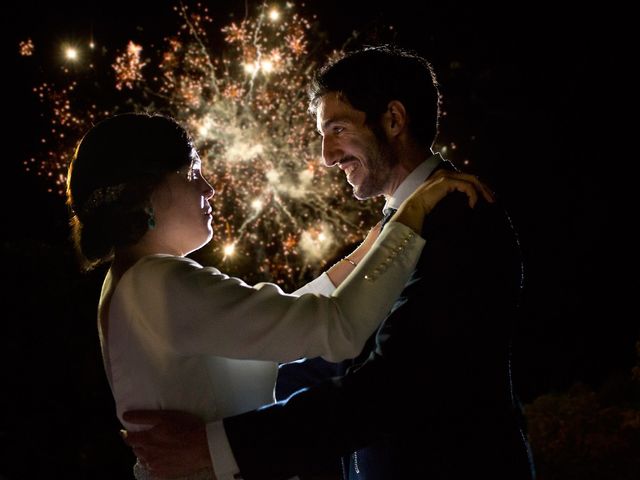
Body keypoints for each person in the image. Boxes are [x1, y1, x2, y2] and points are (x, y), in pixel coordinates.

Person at [122, 44, 536, 480]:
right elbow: (330, 356)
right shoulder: (399, 228)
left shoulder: (460, 216)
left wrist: (219, 447)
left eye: (337, 129)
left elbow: (398, 384)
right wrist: (218, 416)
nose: (327, 156)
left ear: (393, 120)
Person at [65, 111, 493, 479]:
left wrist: (372, 243)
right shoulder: (160, 283)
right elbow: (337, 328)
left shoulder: (129, 283)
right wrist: (412, 218)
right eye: (193, 174)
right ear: (146, 192)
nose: (210, 190)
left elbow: (281, 321)